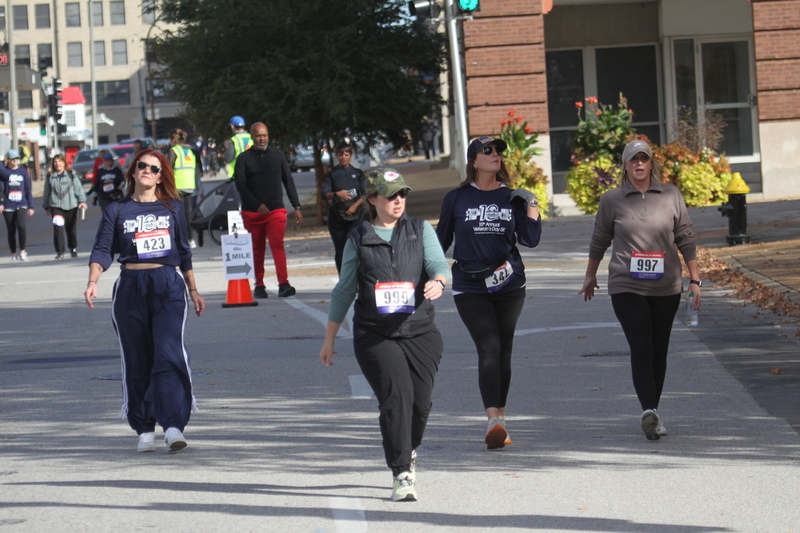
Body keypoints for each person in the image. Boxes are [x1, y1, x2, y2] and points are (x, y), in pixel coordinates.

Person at [319, 168, 449, 502]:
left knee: (420, 405)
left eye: (402, 194)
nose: (398, 201)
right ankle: (402, 472)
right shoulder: (358, 238)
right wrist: (330, 338)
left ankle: (409, 449)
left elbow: (439, 264)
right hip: (375, 336)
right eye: (391, 195)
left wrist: (438, 280)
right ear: (373, 199)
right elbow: (344, 290)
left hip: (420, 332)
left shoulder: (419, 229)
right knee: (396, 398)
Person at [84, 148, 205, 453]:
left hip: (167, 286)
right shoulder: (116, 210)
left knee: (168, 352)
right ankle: (144, 428)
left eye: (154, 168)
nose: (147, 171)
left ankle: (174, 425)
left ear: (162, 175)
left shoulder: (173, 208)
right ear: (133, 170)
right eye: (142, 166)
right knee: (137, 358)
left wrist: (193, 289)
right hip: (130, 288)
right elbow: (102, 250)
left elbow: (184, 252)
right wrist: (92, 281)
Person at [579, 140, 701, 441]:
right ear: (625, 165)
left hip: (667, 285)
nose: (639, 164)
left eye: (644, 158)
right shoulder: (612, 199)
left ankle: (654, 413)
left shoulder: (671, 194)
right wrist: (590, 275)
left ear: (651, 164)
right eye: (633, 159)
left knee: (659, 350)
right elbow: (599, 239)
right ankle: (648, 410)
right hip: (626, 284)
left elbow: (685, 236)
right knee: (642, 346)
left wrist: (695, 280)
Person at [436, 136, 542, 450]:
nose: (495, 154)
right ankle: (492, 420)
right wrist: (424, 270)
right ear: (473, 160)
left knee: (504, 351)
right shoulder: (456, 198)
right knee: (489, 346)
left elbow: (530, 239)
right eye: (488, 151)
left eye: (497, 151)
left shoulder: (512, 197)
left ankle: (500, 419)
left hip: (510, 284)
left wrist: (531, 205)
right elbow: (440, 241)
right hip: (470, 285)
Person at [233, 122, 303, 298]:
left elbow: (288, 181)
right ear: (252, 137)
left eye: (264, 135)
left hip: (275, 211)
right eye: (258, 135)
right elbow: (240, 185)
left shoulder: (277, 155)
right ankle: (259, 285)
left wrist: (297, 206)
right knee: (257, 249)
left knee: (277, 246)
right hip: (252, 212)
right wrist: (256, 204)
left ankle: (284, 283)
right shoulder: (244, 158)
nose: (262, 138)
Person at [321, 143, 367, 273]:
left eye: (346, 155)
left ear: (351, 156)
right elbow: (324, 194)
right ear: (336, 156)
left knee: (354, 246)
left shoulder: (358, 173)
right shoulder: (332, 174)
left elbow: (364, 194)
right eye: (340, 155)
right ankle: (343, 278)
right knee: (341, 249)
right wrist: (337, 194)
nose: (343, 157)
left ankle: (358, 276)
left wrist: (354, 206)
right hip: (337, 215)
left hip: (356, 215)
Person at [43, 154, 88, 260]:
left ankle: (73, 249)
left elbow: (78, 188)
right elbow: (46, 192)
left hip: (71, 205)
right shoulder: (50, 176)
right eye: (55, 162)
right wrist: (46, 206)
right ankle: (60, 251)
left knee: (71, 228)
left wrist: (82, 201)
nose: (57, 164)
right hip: (56, 206)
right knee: (58, 228)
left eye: (59, 161)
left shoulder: (71, 174)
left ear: (64, 163)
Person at [0, 149, 35, 261]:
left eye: (16, 159)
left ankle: (23, 251)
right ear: (8, 160)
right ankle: (13, 253)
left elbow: (28, 189)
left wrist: (30, 206)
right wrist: (1, 203)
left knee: (21, 226)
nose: (15, 161)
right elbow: (0, 189)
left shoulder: (23, 171)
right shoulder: (4, 172)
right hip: (8, 205)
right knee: (11, 229)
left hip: (21, 203)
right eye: (12, 159)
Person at [167, 129, 199, 248]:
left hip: (177, 186)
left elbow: (168, 168)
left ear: (173, 140)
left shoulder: (174, 150)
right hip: (189, 185)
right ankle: (190, 239)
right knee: (187, 214)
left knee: (175, 214)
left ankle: (178, 239)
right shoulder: (189, 151)